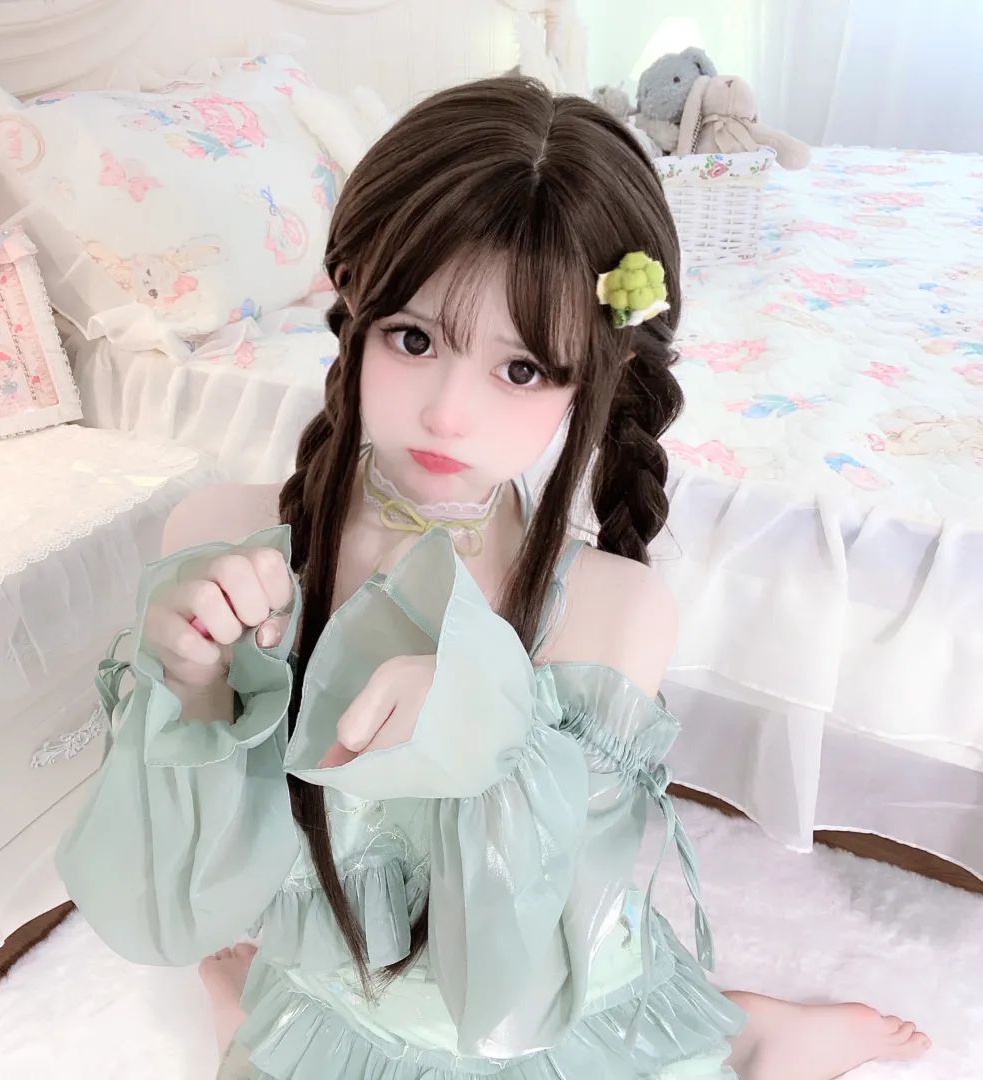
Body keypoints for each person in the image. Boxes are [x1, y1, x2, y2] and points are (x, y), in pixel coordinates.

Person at [56, 77, 930, 1080]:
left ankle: (743, 1029)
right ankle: (263, 990)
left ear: (594, 372)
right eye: (414, 338)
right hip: (333, 980)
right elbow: (169, 906)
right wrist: (192, 692)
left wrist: (494, 733)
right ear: (351, 299)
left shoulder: (609, 612)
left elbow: (516, 993)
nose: (447, 413)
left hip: (524, 1010)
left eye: (520, 370)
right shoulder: (216, 535)